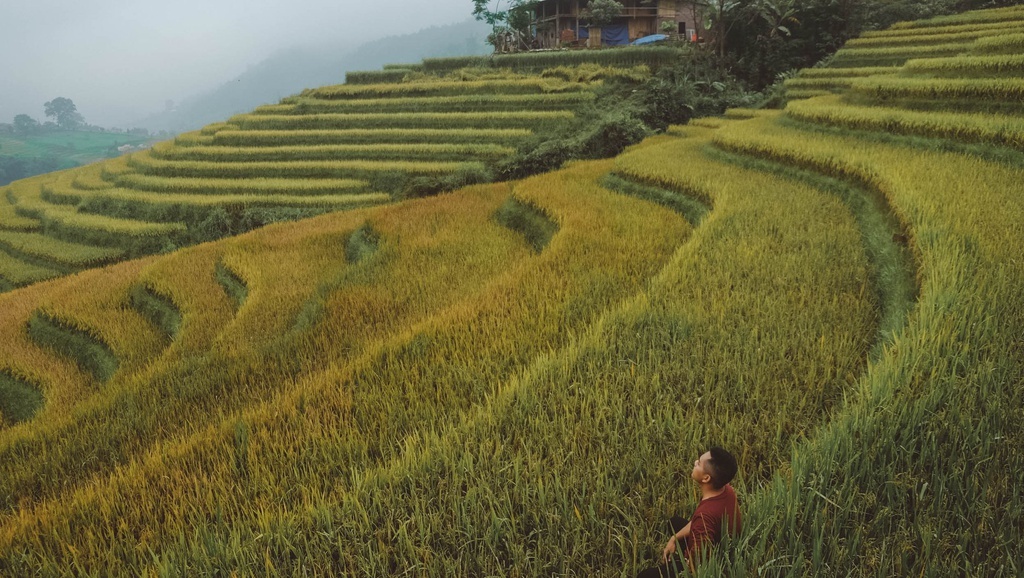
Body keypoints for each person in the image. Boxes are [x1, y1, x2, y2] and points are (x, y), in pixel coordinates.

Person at [636, 447, 742, 577]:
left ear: (706, 478)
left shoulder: (703, 518)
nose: (695, 462)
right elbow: (699, 523)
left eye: (699, 463)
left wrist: (681, 564)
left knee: (644, 575)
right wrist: (674, 539)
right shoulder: (727, 490)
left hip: (707, 561)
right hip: (718, 543)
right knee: (674, 522)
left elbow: (698, 566)